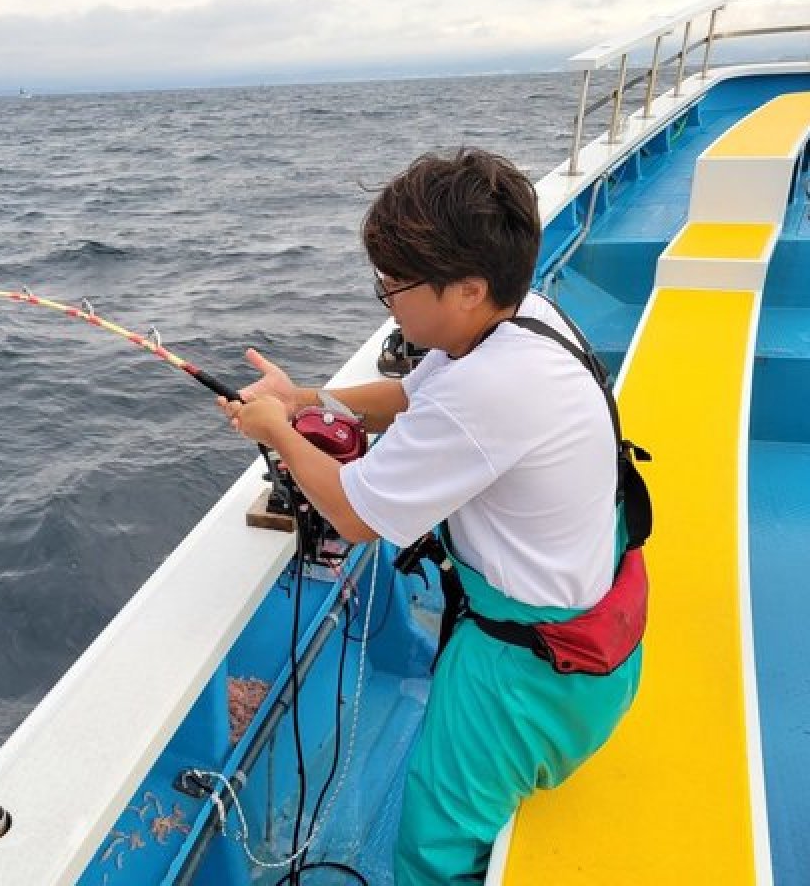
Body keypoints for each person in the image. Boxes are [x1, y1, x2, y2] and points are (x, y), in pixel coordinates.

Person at [218, 149, 642, 885]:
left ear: (469, 288)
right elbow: (416, 396)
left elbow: (353, 515)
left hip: (531, 673)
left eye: (393, 286)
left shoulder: (492, 389)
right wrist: (306, 400)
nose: (386, 299)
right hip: (591, 626)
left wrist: (277, 434)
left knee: (432, 854)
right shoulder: (522, 318)